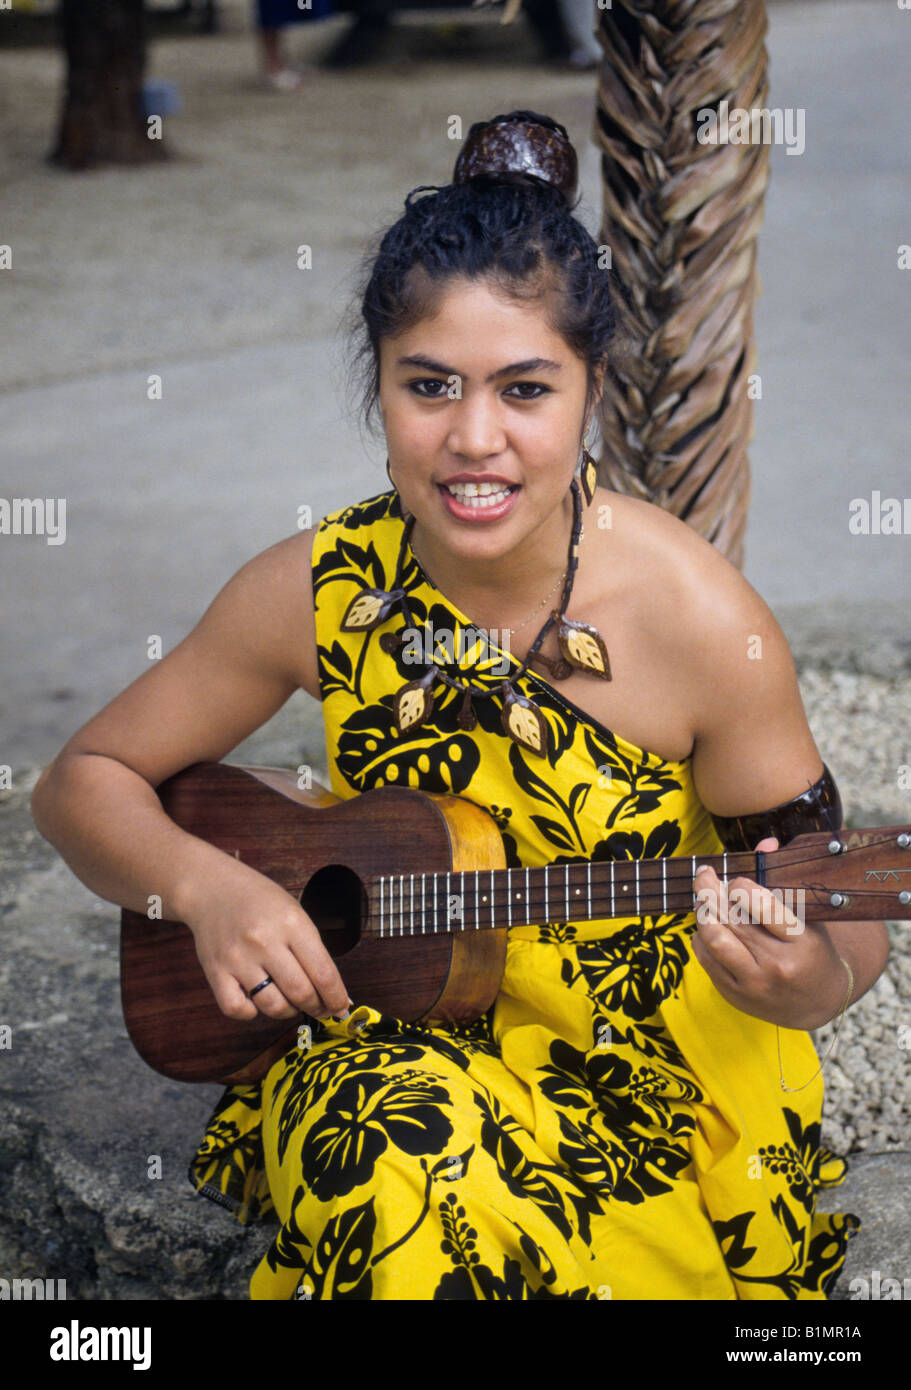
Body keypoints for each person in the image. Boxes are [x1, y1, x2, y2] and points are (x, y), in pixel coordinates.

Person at [31, 110, 888, 1301]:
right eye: (427, 385)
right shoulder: (318, 589)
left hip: (642, 1080)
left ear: (589, 392)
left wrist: (805, 980)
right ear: (375, 386)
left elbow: (839, 905)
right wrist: (211, 889)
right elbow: (81, 782)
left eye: (524, 389)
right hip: (393, 1041)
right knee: (389, 1147)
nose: (472, 439)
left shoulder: (696, 619)